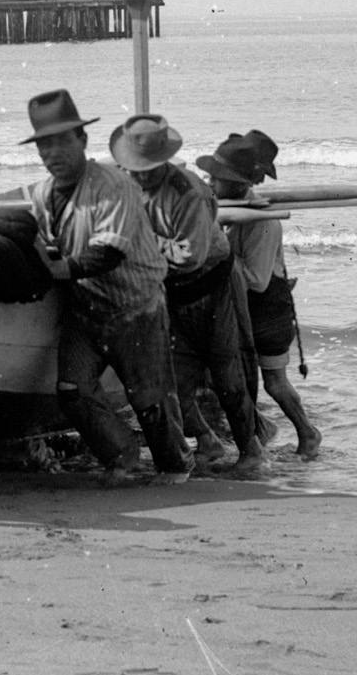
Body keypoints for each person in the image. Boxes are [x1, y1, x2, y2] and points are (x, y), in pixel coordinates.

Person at [6, 90, 191, 486]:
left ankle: (175, 467)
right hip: (86, 309)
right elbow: (41, 239)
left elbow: (108, 252)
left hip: (136, 306)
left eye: (60, 142)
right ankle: (121, 455)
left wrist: (58, 270)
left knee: (150, 398)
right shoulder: (41, 194)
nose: (52, 153)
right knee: (72, 390)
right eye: (44, 145)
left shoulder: (114, 186)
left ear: (82, 141)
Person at [110, 114, 267, 478]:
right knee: (175, 383)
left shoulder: (190, 193)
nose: (140, 175)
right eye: (134, 168)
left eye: (148, 168)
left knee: (227, 378)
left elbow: (190, 255)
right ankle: (208, 440)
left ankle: (251, 450)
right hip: (171, 291)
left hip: (212, 286)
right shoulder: (126, 186)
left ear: (164, 160)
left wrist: (138, 245)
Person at [199, 132, 321, 460]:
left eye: (217, 178)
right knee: (222, 376)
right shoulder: (228, 211)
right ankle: (257, 427)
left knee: (274, 383)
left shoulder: (264, 224)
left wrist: (216, 245)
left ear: (237, 183)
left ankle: (308, 434)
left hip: (266, 309)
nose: (210, 183)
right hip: (240, 308)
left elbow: (256, 280)